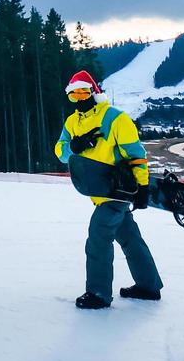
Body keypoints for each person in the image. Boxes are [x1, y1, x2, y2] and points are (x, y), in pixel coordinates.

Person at [55, 70, 160, 310]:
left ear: (94, 92)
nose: (79, 98)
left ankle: (98, 293)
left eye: (83, 92)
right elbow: (60, 153)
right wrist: (74, 145)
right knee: (129, 238)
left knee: (98, 237)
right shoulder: (72, 122)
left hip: (117, 191)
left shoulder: (116, 118)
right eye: (73, 95)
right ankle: (149, 286)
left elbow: (137, 155)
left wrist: (142, 187)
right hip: (97, 191)